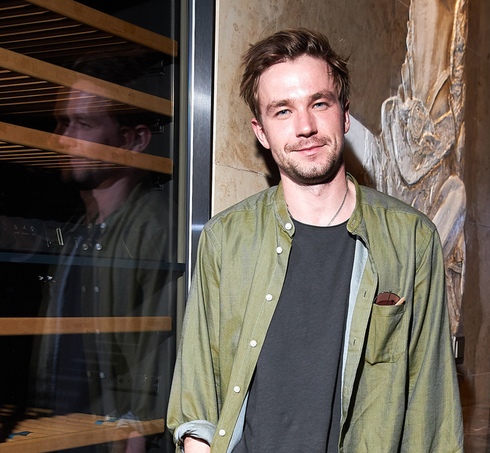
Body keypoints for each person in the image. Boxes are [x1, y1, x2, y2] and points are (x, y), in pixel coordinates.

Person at [167, 28, 463, 453]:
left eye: (319, 103)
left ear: (344, 114)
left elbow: (430, 406)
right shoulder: (225, 239)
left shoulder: (410, 239)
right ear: (261, 132)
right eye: (282, 111)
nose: (305, 126)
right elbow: (196, 395)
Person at [30, 53, 176, 452]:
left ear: (133, 140)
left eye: (83, 124)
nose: (61, 138)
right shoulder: (78, 232)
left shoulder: (155, 230)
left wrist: (137, 429)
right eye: (62, 122)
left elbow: (160, 352)